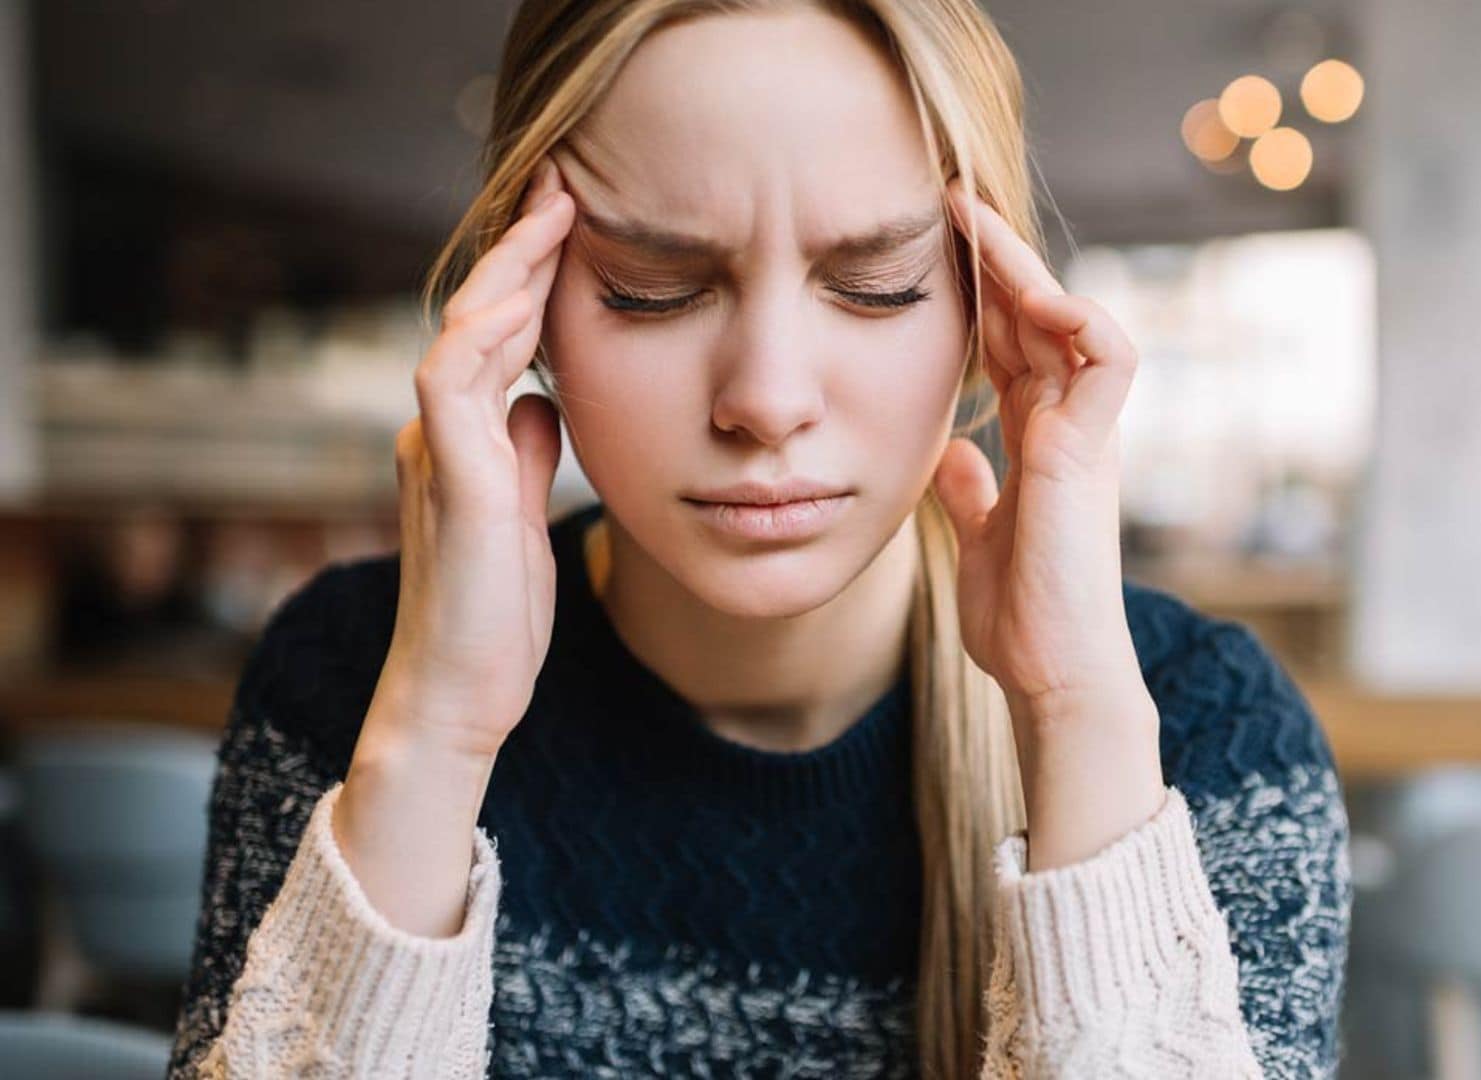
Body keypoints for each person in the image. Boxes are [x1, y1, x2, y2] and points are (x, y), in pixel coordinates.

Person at [165, 1, 1352, 1076]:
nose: (768, 398)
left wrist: (1080, 715)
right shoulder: (349, 684)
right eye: (651, 287)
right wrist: (432, 733)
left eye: (879, 283)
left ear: (992, 306)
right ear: (521, 306)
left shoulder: (1205, 742)